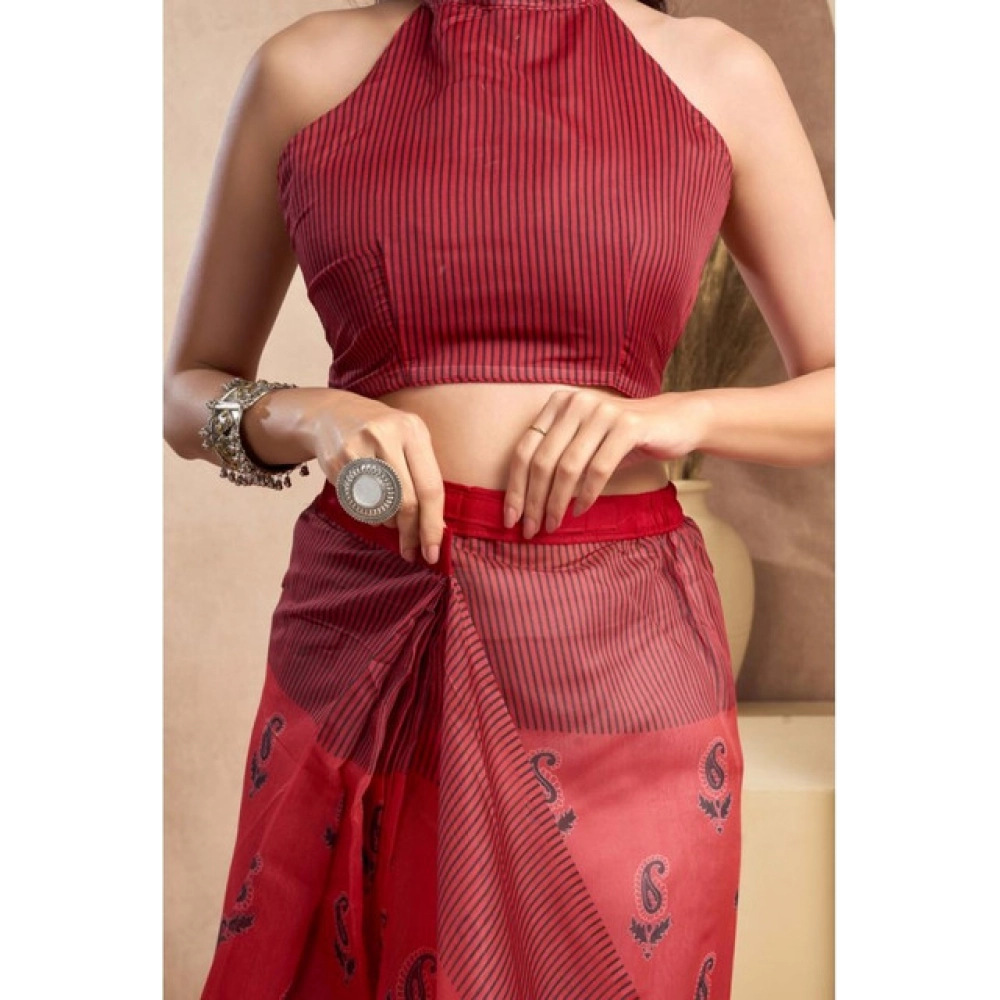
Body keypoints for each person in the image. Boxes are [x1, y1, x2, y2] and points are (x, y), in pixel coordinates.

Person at [163, 0, 834, 995]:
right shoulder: (304, 70)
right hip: (368, 626)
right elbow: (186, 394)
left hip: (617, 654)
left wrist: (677, 417)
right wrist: (310, 414)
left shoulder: (714, 74)